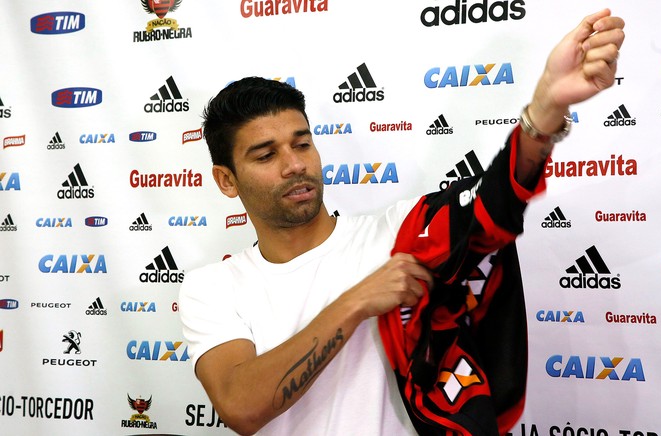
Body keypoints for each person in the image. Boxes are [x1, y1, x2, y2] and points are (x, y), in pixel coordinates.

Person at [179, 9, 625, 436]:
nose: (295, 165)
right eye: (266, 154)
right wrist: (356, 302)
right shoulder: (212, 287)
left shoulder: (397, 235)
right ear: (226, 180)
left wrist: (545, 108)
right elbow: (240, 407)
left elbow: (489, 205)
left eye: (302, 144)